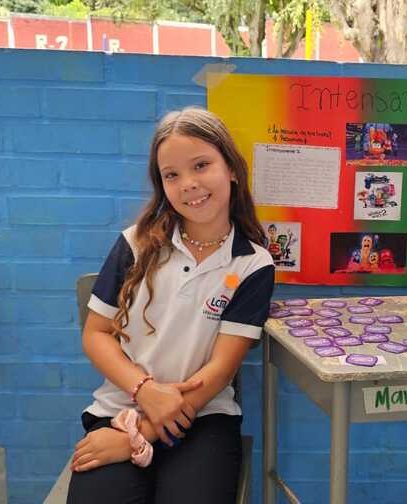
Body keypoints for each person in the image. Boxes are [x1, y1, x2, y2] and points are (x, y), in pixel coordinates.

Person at [67, 107, 275, 503]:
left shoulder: (253, 264)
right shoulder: (135, 243)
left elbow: (220, 370)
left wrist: (138, 437)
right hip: (121, 407)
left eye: (201, 165)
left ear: (232, 169)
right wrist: (144, 391)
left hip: (203, 416)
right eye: (172, 175)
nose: (189, 184)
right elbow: (96, 334)